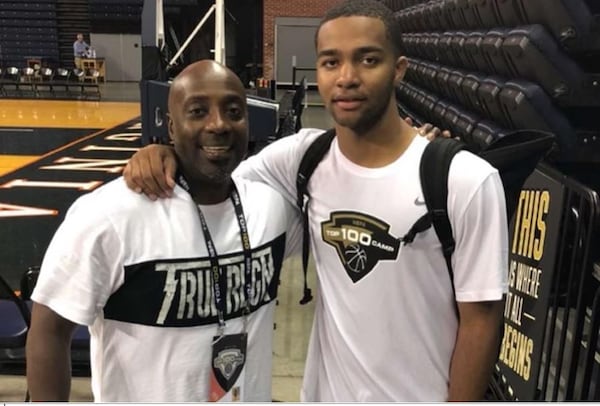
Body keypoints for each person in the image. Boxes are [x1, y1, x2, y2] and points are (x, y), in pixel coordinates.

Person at [123, 0, 508, 401]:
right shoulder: (303, 158)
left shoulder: (466, 180)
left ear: (399, 70)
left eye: (367, 60)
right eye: (330, 62)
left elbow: (481, 322)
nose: (346, 78)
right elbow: (213, 178)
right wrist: (165, 154)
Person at [26, 60, 301, 402]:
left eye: (233, 111)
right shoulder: (109, 214)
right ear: (172, 128)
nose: (219, 124)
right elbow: (50, 329)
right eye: (198, 111)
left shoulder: (271, 208)